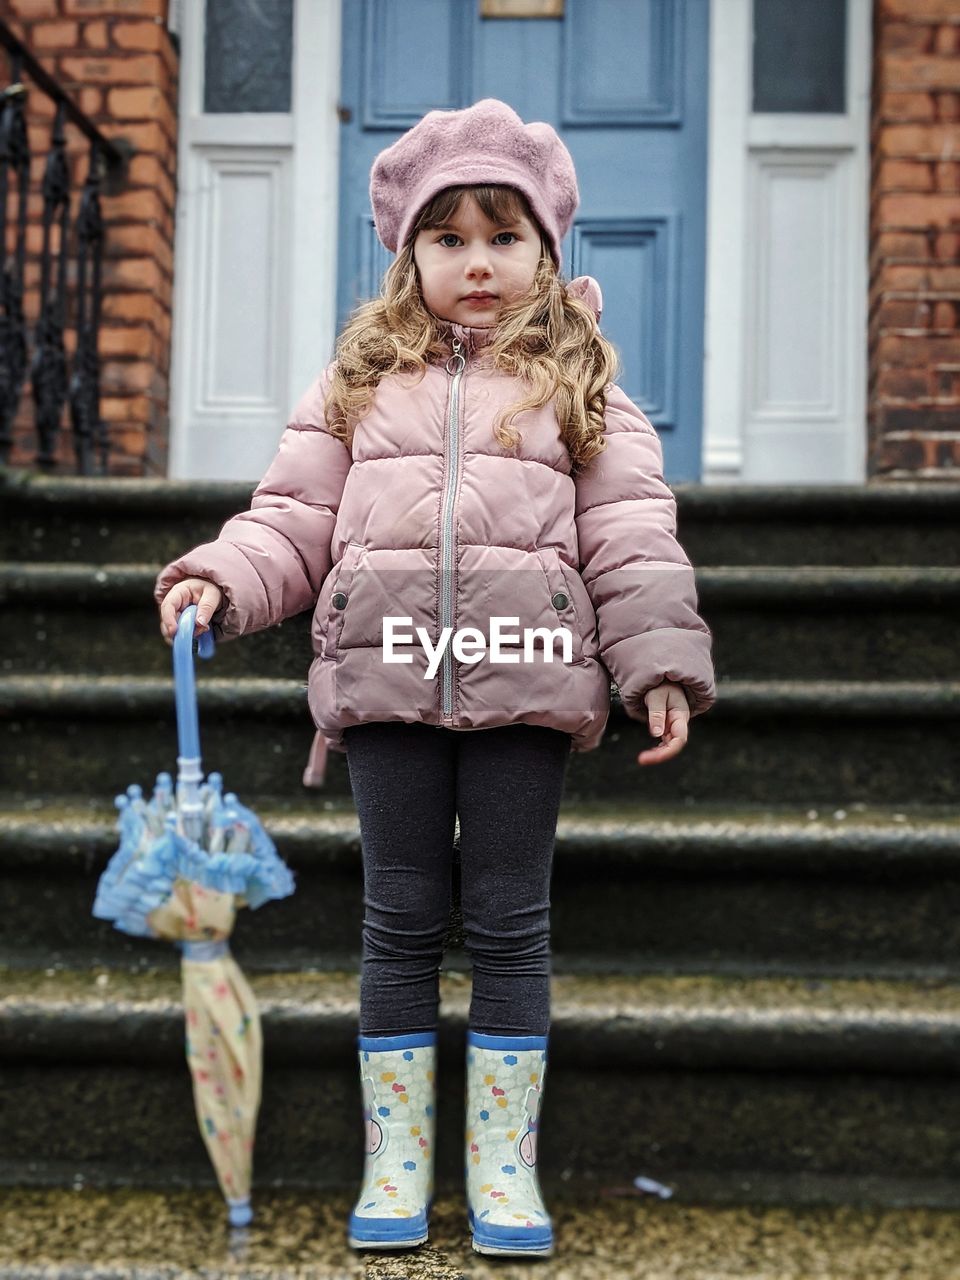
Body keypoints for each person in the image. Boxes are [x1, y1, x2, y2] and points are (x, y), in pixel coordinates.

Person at [155, 98, 717, 1259]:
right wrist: (223, 576)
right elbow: (294, 517)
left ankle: (501, 1169)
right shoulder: (358, 384)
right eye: (447, 236)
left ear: (548, 252)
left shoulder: (586, 389)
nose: (476, 262)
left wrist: (658, 657)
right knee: (399, 919)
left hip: (524, 681)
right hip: (389, 679)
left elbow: (633, 535)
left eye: (503, 236)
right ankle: (397, 1156)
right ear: (407, 255)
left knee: (509, 921)